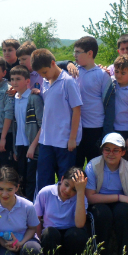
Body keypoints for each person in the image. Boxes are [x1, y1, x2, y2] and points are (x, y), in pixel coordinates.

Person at [85, 133, 128, 255]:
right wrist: (119, 197)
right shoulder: (92, 166)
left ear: (123, 152)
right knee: (102, 213)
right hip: (99, 203)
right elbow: (90, 197)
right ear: (102, 151)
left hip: (121, 204)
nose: (111, 153)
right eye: (107, 149)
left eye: (116, 150)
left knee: (125, 211)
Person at [31, 49, 83, 192]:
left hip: (65, 141)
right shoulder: (45, 82)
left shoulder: (68, 82)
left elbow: (77, 110)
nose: (43, 76)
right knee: (43, 181)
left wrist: (72, 138)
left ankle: (64, 211)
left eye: (44, 72)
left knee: (64, 182)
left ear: (53, 64)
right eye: (40, 74)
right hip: (46, 140)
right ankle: (43, 211)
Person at [0, 166, 42, 255]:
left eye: (9, 189)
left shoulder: (27, 206)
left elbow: (32, 228)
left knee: (32, 251)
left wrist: (21, 243)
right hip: (5, 244)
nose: (4, 194)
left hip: (26, 240)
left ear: (17, 187)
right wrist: (3, 244)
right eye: (1, 189)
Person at [34, 167, 89, 255]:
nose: (67, 191)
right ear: (62, 179)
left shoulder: (80, 197)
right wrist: (38, 240)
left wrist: (80, 192)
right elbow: (36, 219)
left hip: (70, 232)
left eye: (74, 189)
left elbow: (80, 224)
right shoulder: (46, 192)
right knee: (49, 234)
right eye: (66, 185)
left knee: (77, 235)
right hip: (51, 233)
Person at [73, 36, 111, 168]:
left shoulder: (102, 74)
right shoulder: (73, 72)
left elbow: (108, 104)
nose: (75, 55)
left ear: (90, 53)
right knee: (75, 166)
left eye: (78, 52)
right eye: (74, 52)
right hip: (75, 128)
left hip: (95, 128)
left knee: (95, 166)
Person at [103, 55, 128, 170]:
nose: (118, 75)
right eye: (116, 71)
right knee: (113, 160)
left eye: (123, 73)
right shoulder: (112, 83)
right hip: (113, 129)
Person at [10, 65, 43, 200]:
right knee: (21, 179)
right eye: (12, 79)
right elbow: (15, 125)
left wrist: (33, 146)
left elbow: (43, 125)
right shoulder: (15, 98)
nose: (14, 82)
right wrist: (14, 149)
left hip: (33, 147)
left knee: (31, 181)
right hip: (20, 146)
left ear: (27, 81)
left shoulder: (34, 98)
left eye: (18, 79)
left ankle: (32, 211)